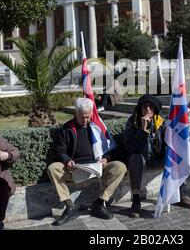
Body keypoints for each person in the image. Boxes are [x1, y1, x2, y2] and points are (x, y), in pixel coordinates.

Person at [47, 98, 127, 226]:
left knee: (120, 167)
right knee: (53, 168)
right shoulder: (67, 128)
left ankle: (99, 204)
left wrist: (106, 158)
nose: (86, 120)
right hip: (75, 169)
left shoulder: (96, 126)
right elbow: (60, 150)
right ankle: (69, 206)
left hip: (97, 167)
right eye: (83, 117)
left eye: (88, 117)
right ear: (76, 113)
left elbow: (108, 147)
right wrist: (67, 161)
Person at [124, 94, 167, 217]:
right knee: (134, 158)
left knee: (175, 156)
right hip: (141, 157)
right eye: (144, 107)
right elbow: (131, 148)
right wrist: (142, 130)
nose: (147, 109)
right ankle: (136, 200)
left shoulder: (160, 121)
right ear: (140, 108)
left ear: (155, 109)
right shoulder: (133, 121)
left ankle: (180, 192)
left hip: (157, 156)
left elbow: (167, 142)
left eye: (151, 107)